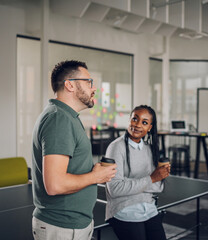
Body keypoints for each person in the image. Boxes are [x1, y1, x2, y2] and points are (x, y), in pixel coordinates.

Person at [31, 60, 117, 240]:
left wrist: (94, 170)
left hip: (73, 224)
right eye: (89, 82)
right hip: (62, 227)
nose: (94, 88)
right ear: (69, 85)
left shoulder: (68, 117)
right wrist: (96, 177)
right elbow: (55, 185)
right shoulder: (58, 119)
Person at [105, 105, 170, 240]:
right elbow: (115, 189)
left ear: (149, 128)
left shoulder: (149, 149)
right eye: (135, 119)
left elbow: (159, 186)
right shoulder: (116, 147)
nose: (138, 125)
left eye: (144, 122)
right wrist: (150, 179)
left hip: (149, 209)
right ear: (129, 120)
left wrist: (129, 182)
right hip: (123, 209)